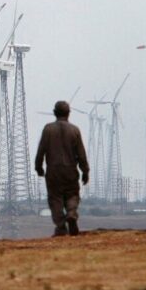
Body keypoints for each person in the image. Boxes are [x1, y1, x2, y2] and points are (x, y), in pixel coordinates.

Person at [35, 100, 89, 236]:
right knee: (72, 194)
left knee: (55, 199)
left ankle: (60, 226)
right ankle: (71, 213)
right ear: (69, 113)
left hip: (53, 171)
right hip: (70, 170)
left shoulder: (48, 129)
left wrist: (39, 168)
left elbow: (41, 151)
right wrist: (85, 171)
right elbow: (81, 154)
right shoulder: (75, 130)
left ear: (54, 113)